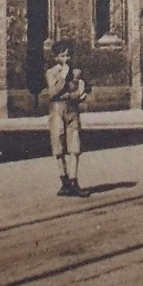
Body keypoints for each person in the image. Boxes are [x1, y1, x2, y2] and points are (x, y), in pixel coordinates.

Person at [46, 41, 90, 197]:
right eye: (62, 55)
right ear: (56, 57)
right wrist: (63, 77)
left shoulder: (76, 72)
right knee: (58, 144)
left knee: (75, 145)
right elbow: (53, 93)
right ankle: (64, 180)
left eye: (68, 54)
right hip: (57, 111)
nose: (66, 58)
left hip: (72, 110)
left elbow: (82, 91)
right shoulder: (51, 73)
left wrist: (76, 94)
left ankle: (73, 180)